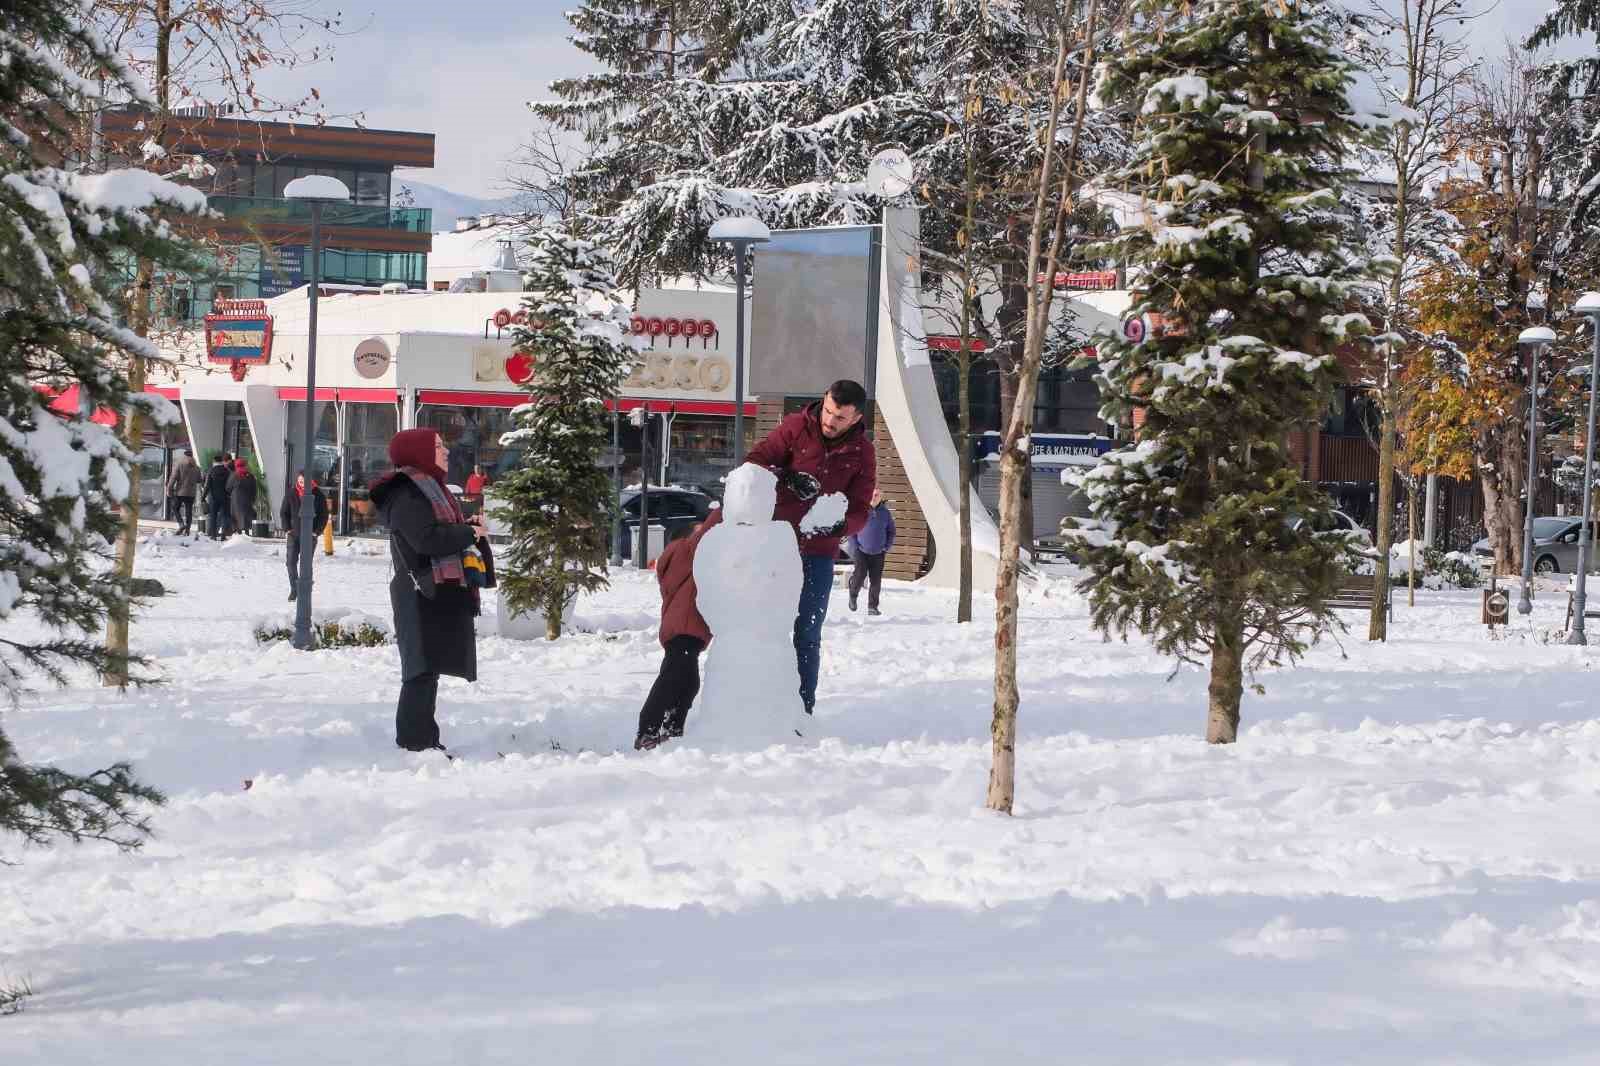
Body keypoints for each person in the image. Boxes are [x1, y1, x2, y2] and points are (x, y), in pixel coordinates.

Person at [745, 379, 876, 714]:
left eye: (841, 418)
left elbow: (861, 508)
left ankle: (802, 708)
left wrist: (842, 526)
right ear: (824, 400)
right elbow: (754, 463)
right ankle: (756, 701)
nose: (830, 422)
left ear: (856, 418)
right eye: (829, 412)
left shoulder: (863, 453)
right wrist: (785, 476)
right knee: (764, 626)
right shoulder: (795, 428)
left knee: (808, 631)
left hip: (819, 552)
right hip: (776, 543)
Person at [369, 428, 495, 753]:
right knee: (420, 669)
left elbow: (436, 532)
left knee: (431, 666)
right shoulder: (407, 493)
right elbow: (426, 540)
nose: (446, 451)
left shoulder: (429, 488)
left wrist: (466, 530)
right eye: (438, 446)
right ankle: (414, 742)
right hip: (418, 591)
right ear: (419, 452)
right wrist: (467, 532)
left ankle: (425, 737)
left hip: (433, 589)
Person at [635, 514, 720, 750]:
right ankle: (647, 730)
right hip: (685, 627)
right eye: (697, 530)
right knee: (672, 680)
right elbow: (703, 535)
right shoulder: (684, 551)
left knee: (688, 682)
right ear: (685, 538)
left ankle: (671, 730)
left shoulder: (683, 560)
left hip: (684, 628)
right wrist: (725, 507)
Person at [280, 469, 330, 602]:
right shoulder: (291, 493)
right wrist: (287, 529)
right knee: (290, 562)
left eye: (304, 482)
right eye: (300, 481)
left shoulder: (318, 495)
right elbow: (284, 512)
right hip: (293, 534)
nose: (301, 484)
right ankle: (294, 588)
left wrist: (316, 532)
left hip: (310, 535)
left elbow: (324, 515)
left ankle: (306, 590)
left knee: (306, 564)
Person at [847, 488, 896, 616]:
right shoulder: (862, 510)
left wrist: (887, 546)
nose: (874, 497)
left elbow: (891, 531)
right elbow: (852, 530)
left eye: (877, 495)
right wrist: (855, 547)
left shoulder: (885, 513)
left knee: (876, 581)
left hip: (879, 553)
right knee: (860, 575)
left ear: (881, 497)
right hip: (861, 551)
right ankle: (853, 595)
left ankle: (872, 607)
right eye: (873, 494)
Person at [166, 450, 201, 536]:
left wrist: (169, 489)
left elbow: (173, 477)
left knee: (175, 508)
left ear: (184, 455)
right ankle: (187, 530)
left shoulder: (180, 464)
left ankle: (181, 525)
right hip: (191, 493)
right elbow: (199, 480)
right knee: (189, 511)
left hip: (180, 492)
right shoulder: (196, 467)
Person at [203, 452, 232, 539]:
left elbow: (207, 485)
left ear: (214, 461)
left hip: (213, 497)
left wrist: (203, 497)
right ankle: (223, 534)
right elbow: (229, 485)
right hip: (225, 497)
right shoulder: (227, 471)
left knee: (213, 516)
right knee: (224, 515)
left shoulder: (211, 471)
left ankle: (213, 535)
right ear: (222, 461)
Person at [228, 457, 257, 537]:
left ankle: (237, 535)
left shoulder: (234, 475)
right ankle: (246, 534)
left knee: (236, 519)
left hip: (235, 501)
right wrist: (253, 499)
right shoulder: (250, 476)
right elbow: (254, 489)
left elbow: (228, 487)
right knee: (245, 518)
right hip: (247, 500)